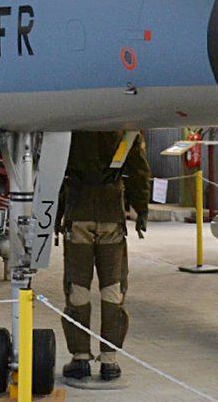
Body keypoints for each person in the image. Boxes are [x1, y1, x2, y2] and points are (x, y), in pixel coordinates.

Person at [59, 130, 150, 381]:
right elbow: (139, 171)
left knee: (77, 288)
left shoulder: (72, 127)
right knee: (113, 289)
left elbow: (56, 170)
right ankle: (109, 360)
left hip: (78, 212)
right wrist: (141, 208)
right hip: (111, 213)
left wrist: (55, 215)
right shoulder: (126, 129)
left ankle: (80, 357)